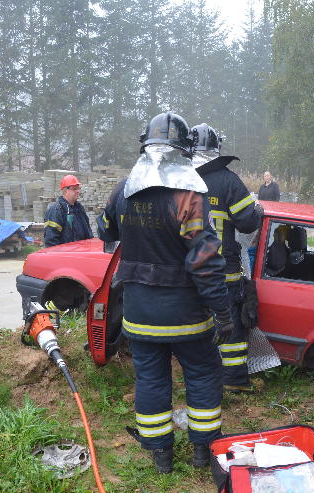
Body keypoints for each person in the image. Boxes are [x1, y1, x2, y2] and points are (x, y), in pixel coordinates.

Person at [97, 112, 232, 474]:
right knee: (202, 375)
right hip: (187, 316)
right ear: (185, 152)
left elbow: (105, 230)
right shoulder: (188, 198)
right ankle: (203, 452)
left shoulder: (123, 191)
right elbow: (204, 261)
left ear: (145, 146)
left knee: (151, 380)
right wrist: (223, 313)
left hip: (140, 314)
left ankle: (162, 457)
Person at [191, 123, 262, 393]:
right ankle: (233, 379)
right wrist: (257, 210)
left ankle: (200, 375)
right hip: (224, 272)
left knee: (197, 324)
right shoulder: (228, 180)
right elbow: (246, 222)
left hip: (191, 271)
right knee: (230, 325)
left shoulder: (180, 180)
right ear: (217, 149)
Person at [43, 174, 93, 247]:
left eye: (78, 188)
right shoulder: (56, 210)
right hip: (67, 255)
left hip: (82, 253)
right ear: (66, 191)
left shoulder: (79, 208)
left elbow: (88, 231)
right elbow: (51, 241)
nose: (78, 191)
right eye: (74, 189)